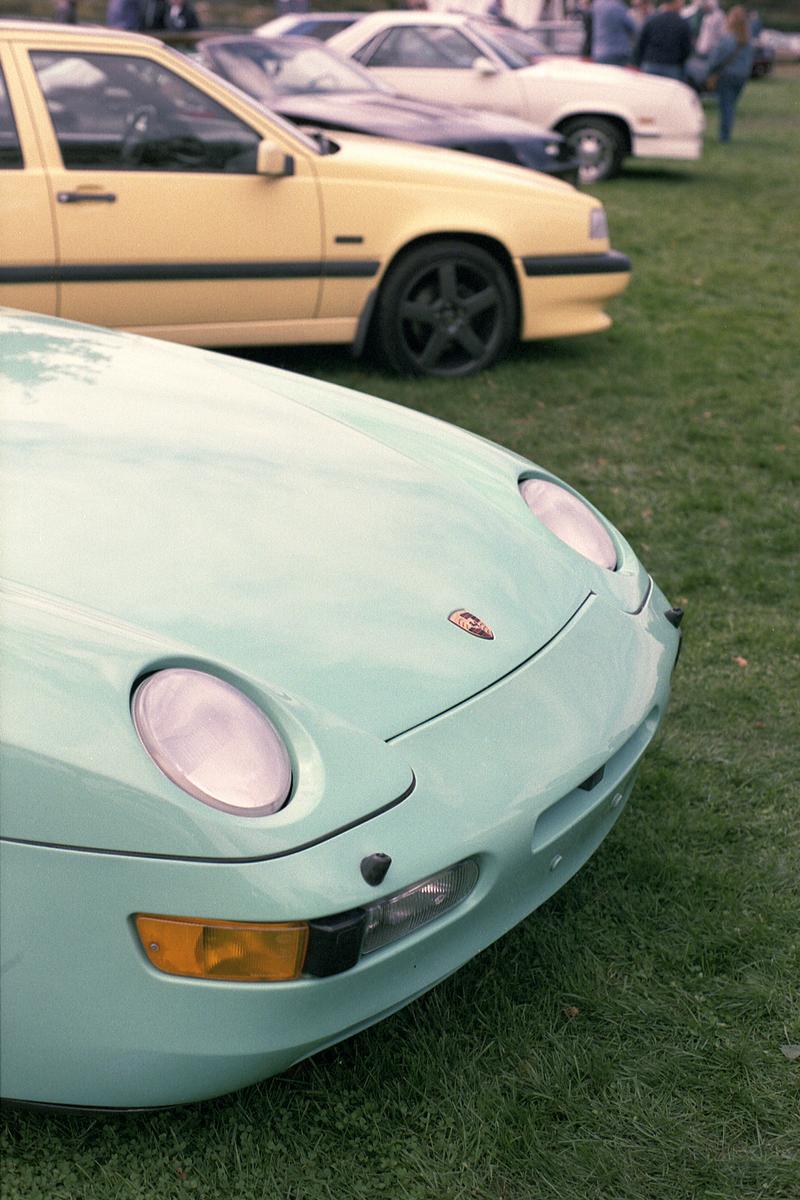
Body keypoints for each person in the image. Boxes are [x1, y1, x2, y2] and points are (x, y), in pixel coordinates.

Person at [706, 5, 754, 142]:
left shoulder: (727, 39)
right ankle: (726, 134)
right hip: (741, 76)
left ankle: (724, 136)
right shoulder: (747, 41)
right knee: (731, 105)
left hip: (726, 76)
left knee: (725, 106)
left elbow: (716, 59)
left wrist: (709, 71)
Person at [633, 0, 692, 78]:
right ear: (676, 3)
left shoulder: (652, 19)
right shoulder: (682, 23)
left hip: (650, 64)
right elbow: (686, 48)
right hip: (672, 66)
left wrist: (637, 62)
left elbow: (641, 43)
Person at [591, 0, 637, 65]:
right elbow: (632, 27)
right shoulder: (619, 6)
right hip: (618, 52)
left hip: (599, 52)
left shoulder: (596, 4)